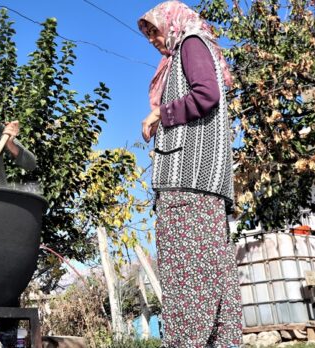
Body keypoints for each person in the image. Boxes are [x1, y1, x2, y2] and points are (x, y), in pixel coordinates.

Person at [138, 1, 240, 347]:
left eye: (155, 30)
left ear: (170, 22)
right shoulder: (197, 46)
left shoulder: (190, 43)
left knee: (187, 283)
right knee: (214, 280)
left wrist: (159, 115)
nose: (153, 40)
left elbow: (206, 95)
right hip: (203, 186)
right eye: (148, 35)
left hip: (188, 184)